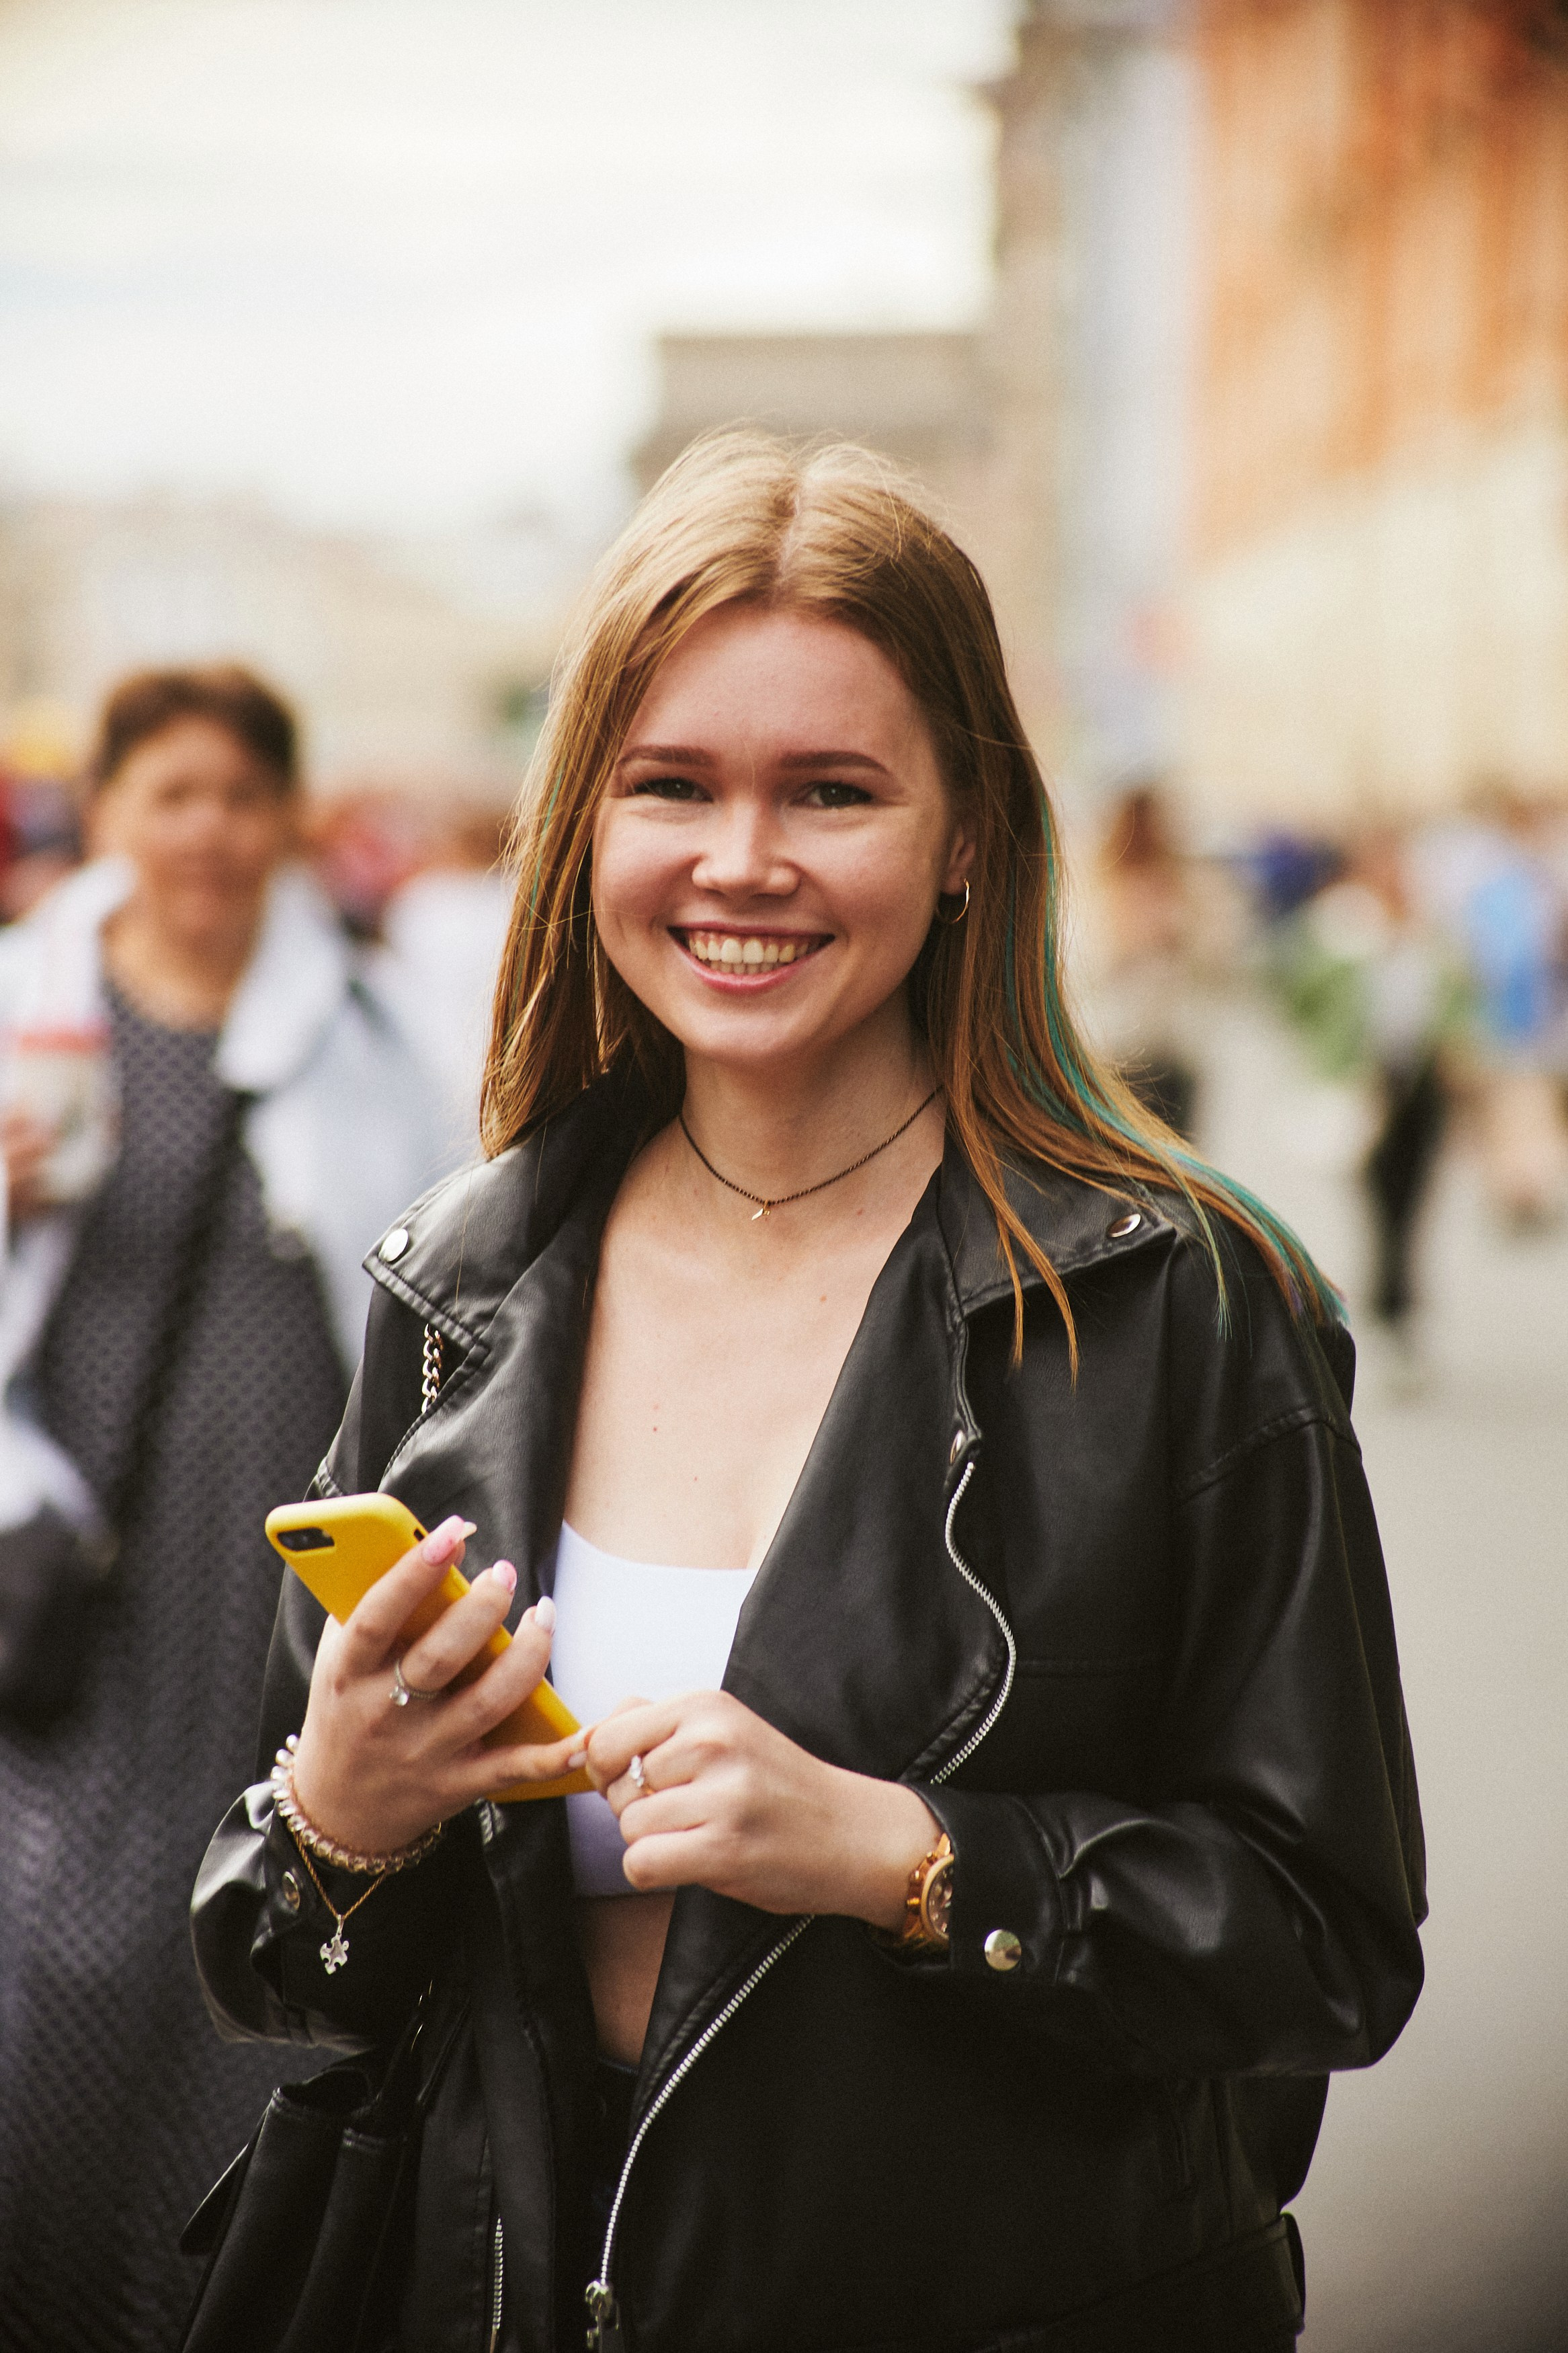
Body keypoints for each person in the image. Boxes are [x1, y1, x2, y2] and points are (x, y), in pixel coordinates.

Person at [194, 439, 1426, 2353]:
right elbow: (289, 1969)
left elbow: (1325, 1952)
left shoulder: (1183, 1305)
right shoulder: (458, 1282)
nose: (739, 859)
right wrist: (342, 1815)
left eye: (829, 790)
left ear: (962, 838)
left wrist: (908, 1857)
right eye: (669, 784)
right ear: (583, 826)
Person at [0, 665, 448, 2350]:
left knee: (249, 1943)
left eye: (239, 795)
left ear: (287, 816)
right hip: (69, 1559)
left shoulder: (366, 1027)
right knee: (61, 1950)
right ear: (107, 810)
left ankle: (206, 2302)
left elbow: (439, 1268)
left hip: (283, 1562)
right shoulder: (23, 1006)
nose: (207, 831)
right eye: (170, 793)